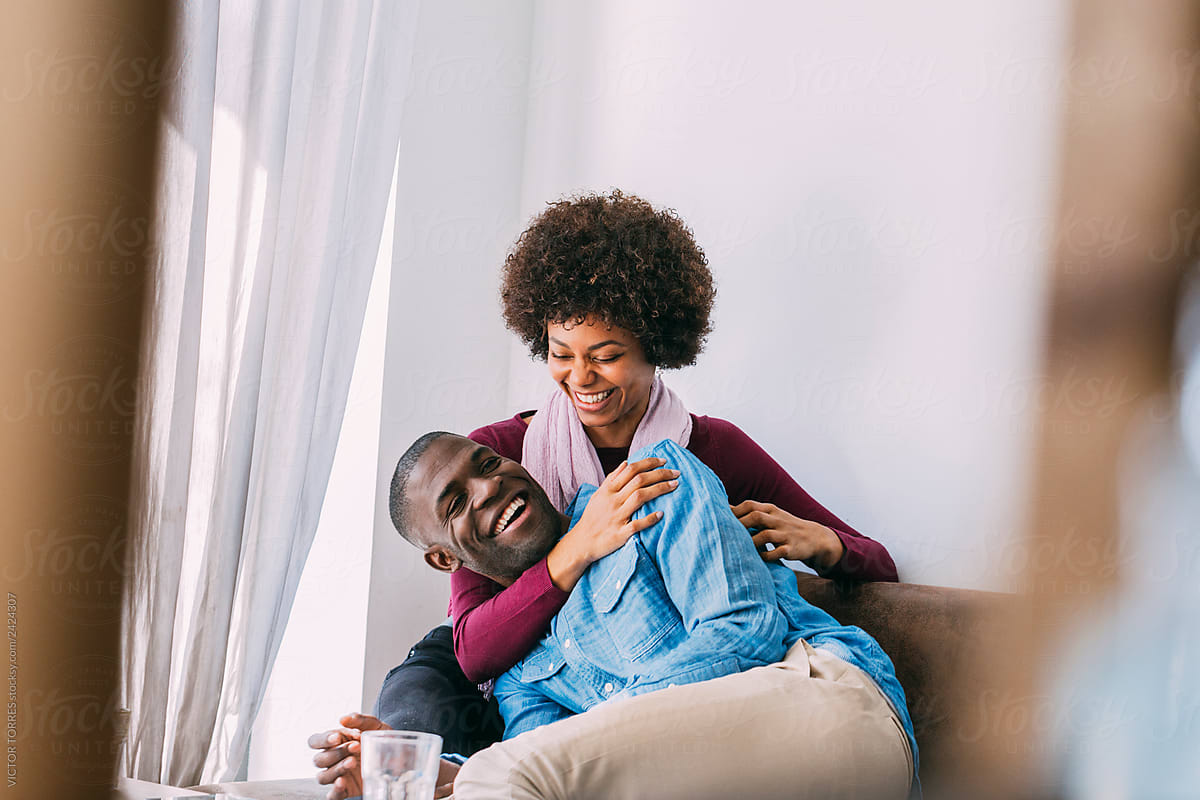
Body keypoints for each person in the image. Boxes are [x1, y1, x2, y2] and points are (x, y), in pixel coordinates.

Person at [371, 191, 900, 763]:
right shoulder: (497, 456)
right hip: (518, 634)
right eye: (561, 353)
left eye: (606, 354)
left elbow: (873, 565)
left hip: (642, 642)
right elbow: (473, 648)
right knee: (414, 704)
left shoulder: (704, 451)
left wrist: (826, 545)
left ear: (657, 345)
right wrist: (578, 545)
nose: (581, 377)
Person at [312, 432, 915, 799]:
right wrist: (437, 771)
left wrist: (487, 773)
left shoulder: (648, 482)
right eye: (455, 502)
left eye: (488, 464)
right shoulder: (519, 669)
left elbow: (746, 632)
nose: (487, 488)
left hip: (820, 699)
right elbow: (550, 765)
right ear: (446, 558)